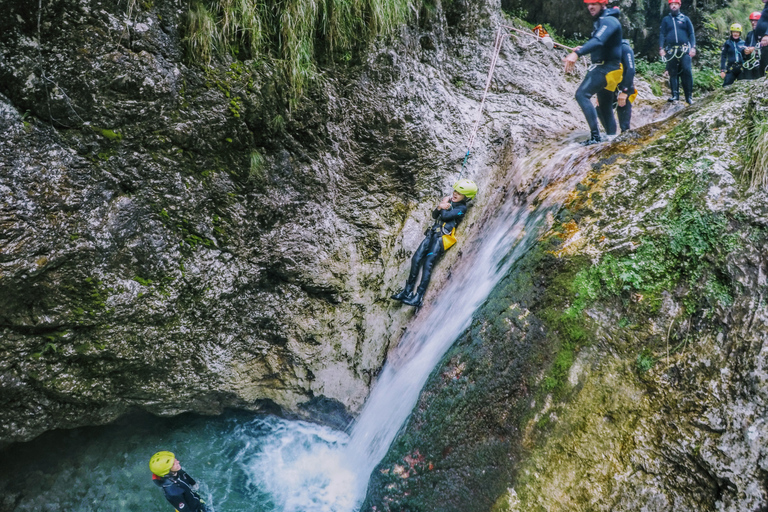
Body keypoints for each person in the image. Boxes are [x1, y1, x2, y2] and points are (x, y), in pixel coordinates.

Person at [391, 179, 478, 307]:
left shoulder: (462, 208)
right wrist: (439, 207)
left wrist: (443, 205)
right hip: (432, 234)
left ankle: (418, 297)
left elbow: (445, 217)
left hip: (441, 238)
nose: (455, 194)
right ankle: (407, 291)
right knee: (416, 259)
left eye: (459, 193)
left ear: (466, 197)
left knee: (427, 264)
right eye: (455, 191)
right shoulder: (450, 203)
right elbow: (434, 215)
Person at [563, 0, 623, 146]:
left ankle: (595, 137)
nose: (590, 7)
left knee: (582, 94)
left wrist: (578, 53)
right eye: (588, 4)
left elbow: (599, 41)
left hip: (605, 68)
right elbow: (602, 44)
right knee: (604, 106)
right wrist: (582, 47)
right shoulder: (602, 21)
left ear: (603, 4)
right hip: (610, 69)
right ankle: (611, 139)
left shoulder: (609, 20)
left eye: (594, 4)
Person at [659, 0, 696, 104]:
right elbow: (662, 34)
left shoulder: (685, 19)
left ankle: (689, 96)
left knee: (687, 70)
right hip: (671, 49)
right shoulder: (666, 20)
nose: (673, 6)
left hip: (684, 48)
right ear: (669, 6)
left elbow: (691, 34)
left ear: (679, 5)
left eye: (675, 4)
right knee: (673, 72)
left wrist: (693, 47)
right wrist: (661, 48)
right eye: (671, 4)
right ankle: (675, 95)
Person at [613, 39, 637, 133]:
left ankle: (624, 134)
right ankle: (609, 135)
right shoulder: (606, 48)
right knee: (599, 110)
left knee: (624, 125)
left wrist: (625, 91)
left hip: (624, 87)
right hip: (610, 86)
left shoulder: (625, 48)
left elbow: (631, 70)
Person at [742, 12, 763, 79]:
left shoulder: (764, 35)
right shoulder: (749, 34)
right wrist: (745, 50)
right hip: (749, 63)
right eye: (752, 21)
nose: (753, 23)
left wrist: (754, 49)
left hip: (759, 64)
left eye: (755, 21)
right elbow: (744, 46)